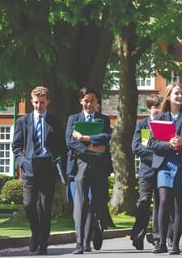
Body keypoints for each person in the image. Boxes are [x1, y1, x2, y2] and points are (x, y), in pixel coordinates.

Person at [12, 86, 66, 255]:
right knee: (28, 204)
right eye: (36, 103)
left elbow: (61, 146)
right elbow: (16, 147)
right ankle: (36, 233)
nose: (38, 106)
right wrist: (22, 162)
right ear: (31, 102)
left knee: (45, 207)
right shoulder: (23, 121)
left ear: (47, 102)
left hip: (47, 167)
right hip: (29, 166)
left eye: (42, 103)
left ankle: (43, 243)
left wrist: (58, 163)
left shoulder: (54, 121)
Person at [147, 83, 182, 254]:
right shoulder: (160, 118)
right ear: (169, 96)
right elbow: (152, 142)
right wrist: (168, 144)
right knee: (163, 201)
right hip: (165, 164)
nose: (180, 96)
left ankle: (175, 244)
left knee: (180, 204)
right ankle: (161, 242)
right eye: (176, 93)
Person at [66, 87, 114, 254]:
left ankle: (91, 234)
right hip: (80, 166)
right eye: (86, 100)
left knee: (96, 203)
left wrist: (85, 138)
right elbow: (70, 142)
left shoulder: (103, 119)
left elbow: (105, 137)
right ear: (81, 101)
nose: (89, 104)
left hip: (100, 168)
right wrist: (91, 149)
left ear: (97, 101)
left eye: (92, 100)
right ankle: (80, 243)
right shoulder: (73, 119)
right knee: (81, 204)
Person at [130, 93, 163, 250]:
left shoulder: (166, 124)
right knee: (144, 203)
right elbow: (136, 147)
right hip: (146, 171)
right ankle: (138, 235)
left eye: (160, 107)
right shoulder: (142, 124)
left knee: (159, 204)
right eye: (155, 107)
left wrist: (153, 150)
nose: (158, 110)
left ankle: (157, 237)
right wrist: (157, 154)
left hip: (162, 170)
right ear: (149, 108)